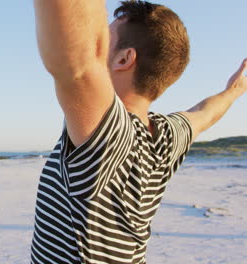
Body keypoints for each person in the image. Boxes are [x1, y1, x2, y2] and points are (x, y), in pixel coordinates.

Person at [30, 0, 246, 263]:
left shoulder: (110, 135)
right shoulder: (166, 136)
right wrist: (233, 92)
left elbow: (78, 66)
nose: (94, 41)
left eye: (103, 38)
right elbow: (205, 113)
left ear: (124, 58)